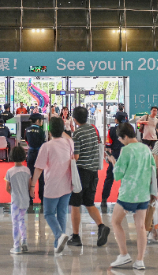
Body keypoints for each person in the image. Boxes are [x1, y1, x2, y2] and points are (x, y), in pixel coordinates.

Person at [106, 122, 157, 270]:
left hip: (128, 194)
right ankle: (140, 260)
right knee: (140, 226)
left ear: (125, 136)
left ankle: (124, 254)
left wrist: (113, 162)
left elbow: (118, 175)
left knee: (115, 221)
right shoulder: (146, 148)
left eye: (120, 138)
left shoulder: (126, 150)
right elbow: (153, 169)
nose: (120, 141)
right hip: (143, 194)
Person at [30, 116, 73, 255]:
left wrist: (32, 185)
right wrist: (61, 128)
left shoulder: (47, 146)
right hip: (67, 185)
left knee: (48, 213)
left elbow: (39, 168)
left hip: (52, 186)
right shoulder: (69, 143)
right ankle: (58, 246)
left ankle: (59, 236)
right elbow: (68, 137)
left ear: (49, 130)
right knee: (62, 214)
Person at [69, 106, 110, 247]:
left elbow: (76, 156)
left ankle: (75, 236)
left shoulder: (77, 133)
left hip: (81, 173)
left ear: (74, 119)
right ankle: (101, 226)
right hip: (93, 172)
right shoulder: (93, 129)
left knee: (75, 204)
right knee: (89, 202)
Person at [5, 146, 31, 255]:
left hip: (15, 201)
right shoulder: (27, 170)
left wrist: (13, 194)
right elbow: (29, 186)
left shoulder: (10, 171)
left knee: (15, 223)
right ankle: (24, 241)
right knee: (22, 220)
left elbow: (7, 188)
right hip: (25, 200)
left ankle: (16, 246)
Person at [101, 112, 126, 206]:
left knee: (110, 177)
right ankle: (122, 198)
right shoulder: (129, 129)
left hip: (115, 155)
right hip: (127, 155)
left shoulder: (112, 130)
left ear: (117, 120)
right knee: (125, 177)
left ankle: (104, 198)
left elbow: (108, 145)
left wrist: (108, 155)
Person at [25, 113, 46, 206]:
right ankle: (42, 198)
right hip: (39, 153)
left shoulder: (27, 130)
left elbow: (26, 140)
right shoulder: (41, 131)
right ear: (38, 121)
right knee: (41, 177)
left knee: (30, 176)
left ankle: (30, 199)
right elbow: (43, 142)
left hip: (30, 154)